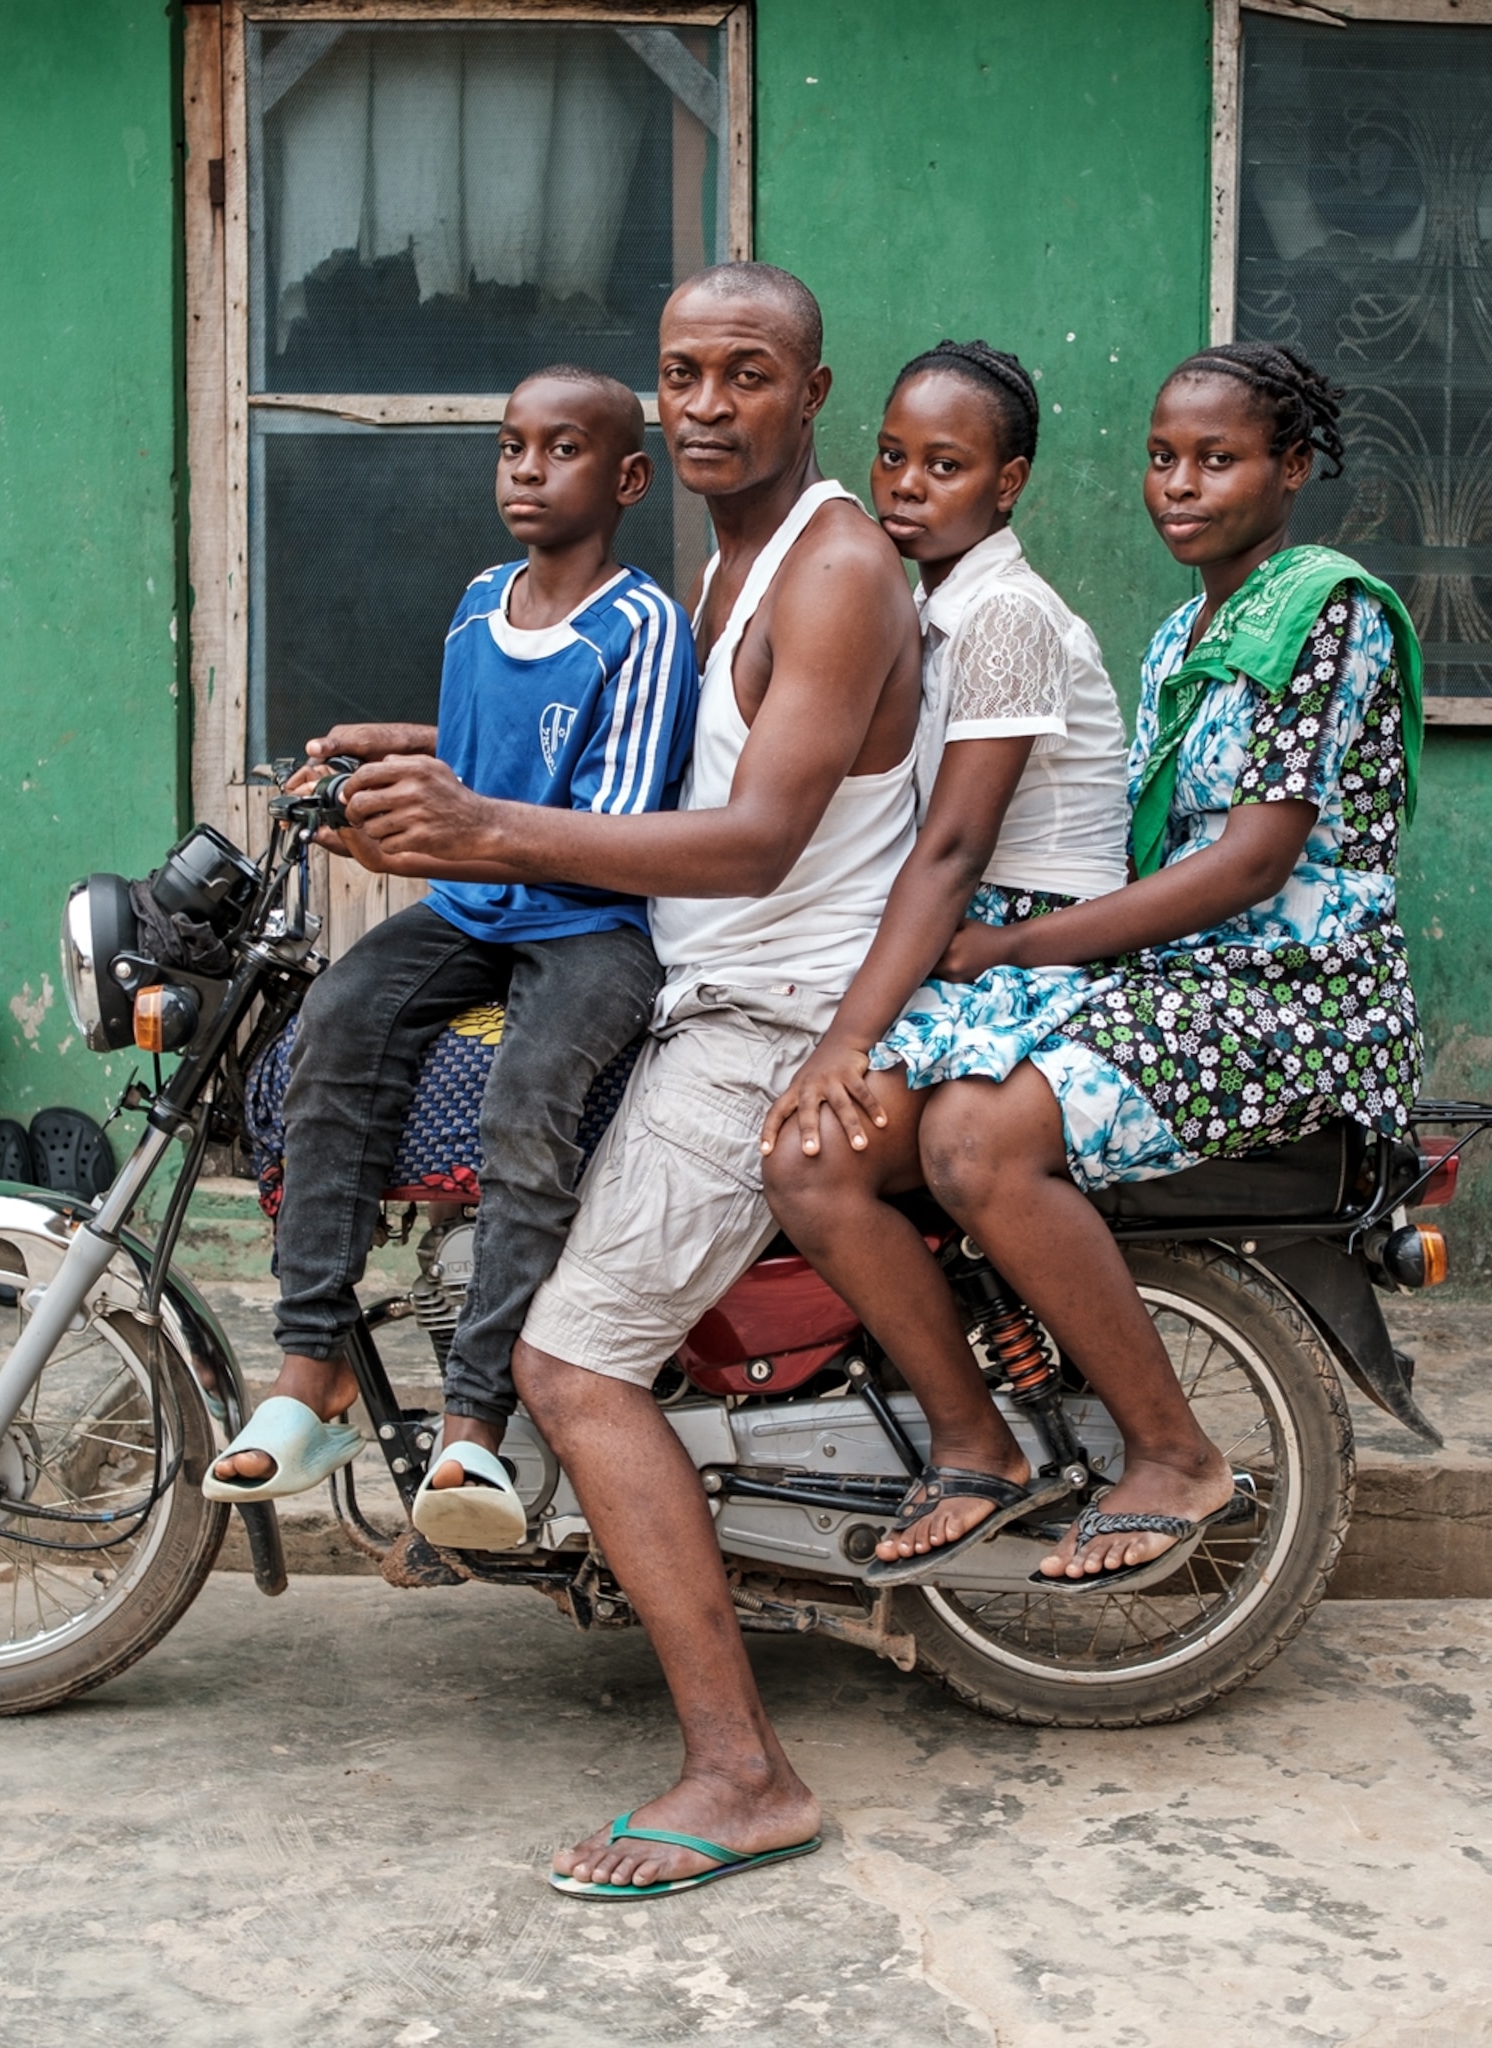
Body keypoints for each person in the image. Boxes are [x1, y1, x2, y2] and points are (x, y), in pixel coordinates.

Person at [328, 262, 926, 1900]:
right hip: (693, 983)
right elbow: (636, 767)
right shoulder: (717, 567)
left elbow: (755, 839)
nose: (713, 400)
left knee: (572, 1361)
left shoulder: (834, 570)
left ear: (812, 392)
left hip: (761, 1020)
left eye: (748, 372)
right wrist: (435, 768)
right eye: (686, 372)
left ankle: (743, 1767)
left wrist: (486, 831)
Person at [781, 340, 1425, 1591]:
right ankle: (975, 1440)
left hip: (1292, 993)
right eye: (1162, 458)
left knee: (974, 1141)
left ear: (1292, 470)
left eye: (1218, 459)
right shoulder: (1191, 624)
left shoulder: (1323, 606)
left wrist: (1015, 946)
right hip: (1178, 976)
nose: (1179, 485)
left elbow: (1249, 867)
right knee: (822, 1155)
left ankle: (1173, 1451)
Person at [205, 365, 699, 1563]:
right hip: (476, 908)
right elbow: (486, 760)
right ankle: (312, 1363)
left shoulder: (642, 627)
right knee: (332, 1025)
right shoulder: (481, 600)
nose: (528, 470)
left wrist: (444, 816)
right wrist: (393, 758)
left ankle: (475, 1415)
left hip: (590, 922)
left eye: (563, 449)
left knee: (532, 1102)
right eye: (512, 446)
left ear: (628, 478)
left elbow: (600, 824)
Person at [755, 339, 1129, 1579]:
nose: (908, 486)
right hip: (961, 945)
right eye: (894, 458)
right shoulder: (928, 604)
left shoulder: (1008, 615)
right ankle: (947, 1422)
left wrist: (849, 1036)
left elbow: (959, 844)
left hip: (1025, 955)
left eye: (948, 465)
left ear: (1009, 480)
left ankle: (984, 1440)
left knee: (812, 1162)